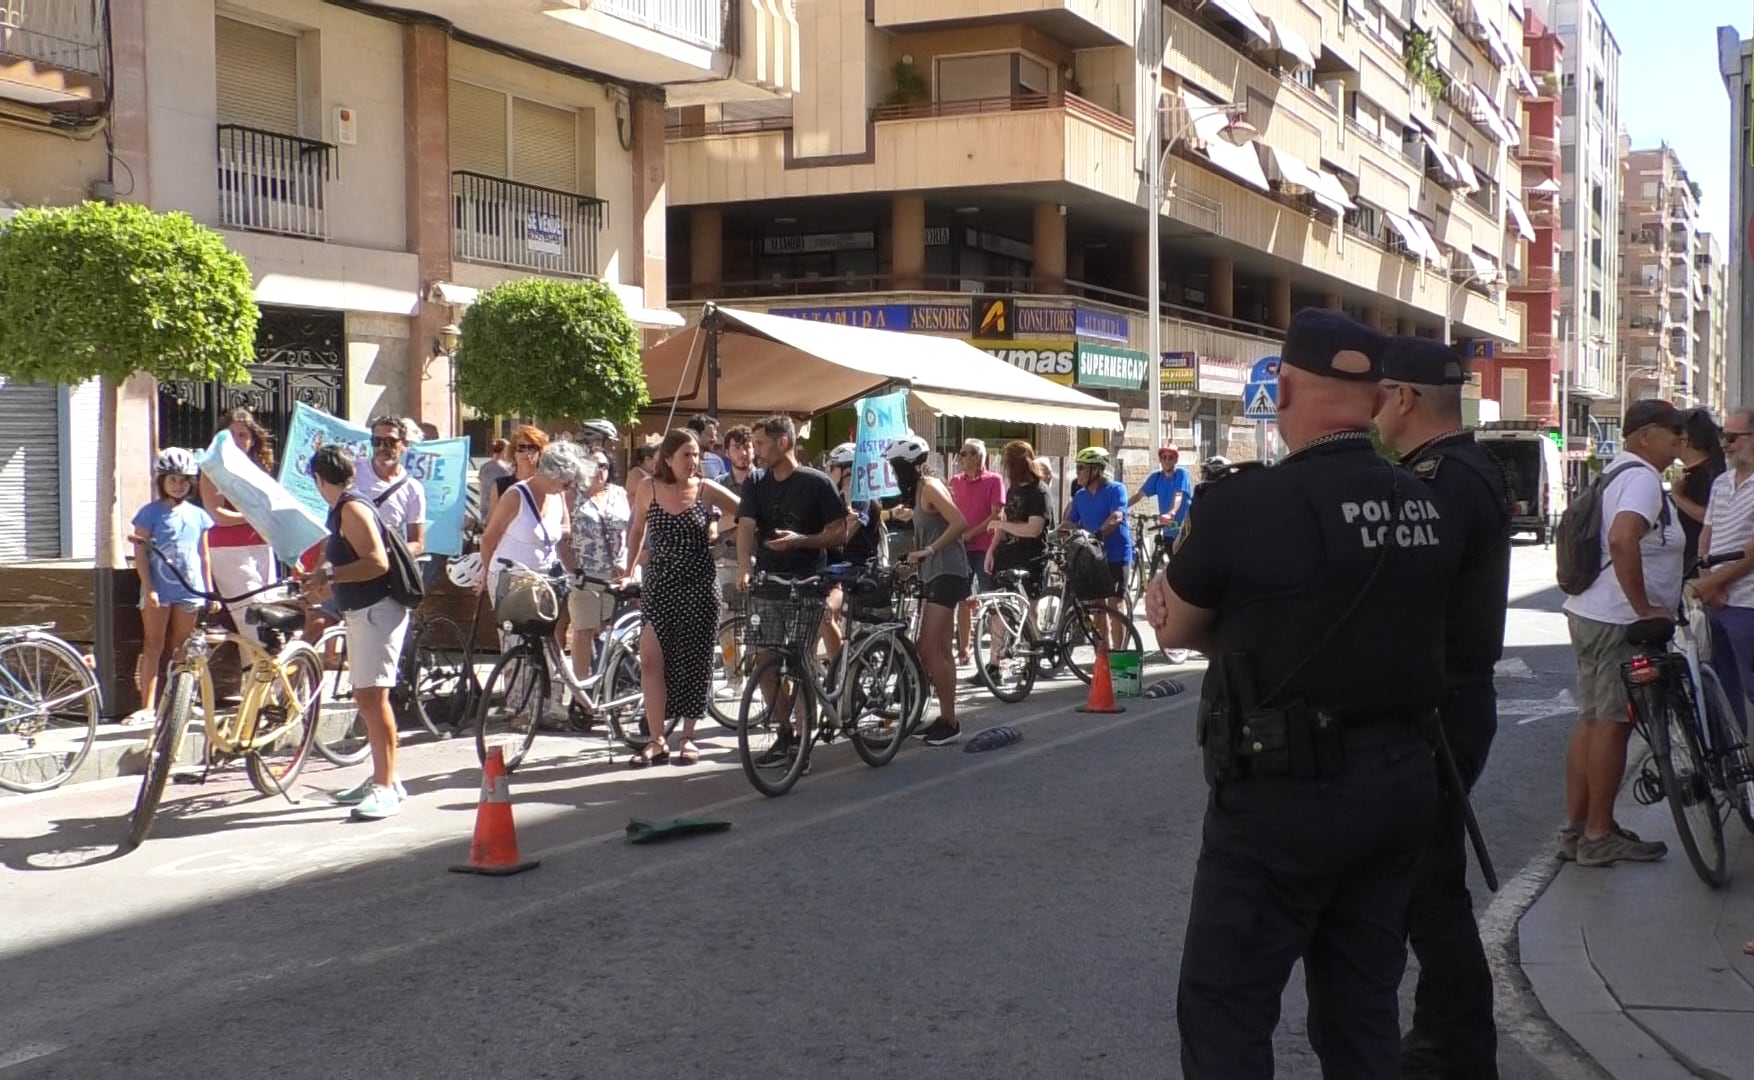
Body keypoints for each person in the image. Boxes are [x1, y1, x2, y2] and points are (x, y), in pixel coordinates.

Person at [1144, 308, 1462, 1078]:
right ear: (1381, 397)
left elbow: (1175, 625)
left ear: (1282, 388)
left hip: (1284, 797)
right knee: (1363, 1014)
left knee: (1225, 1011)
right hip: (1401, 782)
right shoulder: (1428, 502)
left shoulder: (1249, 504)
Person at [1375, 336, 1513, 1080]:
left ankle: (1456, 1049)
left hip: (1442, 703)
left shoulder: (1440, 480)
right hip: (1455, 698)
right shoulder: (1463, 468)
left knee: (1429, 893)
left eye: (1379, 396)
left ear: (1401, 398)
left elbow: (1406, 591)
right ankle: (1447, 1039)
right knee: (1429, 885)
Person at [1559, 398, 1687, 866]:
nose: (1681, 442)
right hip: (1617, 621)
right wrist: (1644, 608)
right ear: (1646, 434)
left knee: (1593, 720)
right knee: (1612, 724)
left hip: (1590, 612)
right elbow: (1621, 538)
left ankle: (1577, 828)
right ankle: (1597, 835)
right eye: (1675, 433)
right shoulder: (1642, 480)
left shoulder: (1616, 472)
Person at [299, 446, 413, 820]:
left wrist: (329, 576)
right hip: (364, 612)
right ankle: (385, 777)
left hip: (377, 612)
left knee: (372, 698)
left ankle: (386, 786)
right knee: (367, 698)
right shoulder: (345, 507)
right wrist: (327, 581)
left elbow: (376, 563)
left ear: (318, 479)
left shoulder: (352, 508)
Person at [735, 415, 851, 756]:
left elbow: (839, 532)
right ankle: (784, 733)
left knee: (798, 663)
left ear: (782, 442)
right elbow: (745, 526)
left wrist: (801, 540)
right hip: (770, 583)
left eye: (760, 444)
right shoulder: (756, 482)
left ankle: (803, 741)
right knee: (765, 662)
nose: (754, 451)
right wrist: (744, 565)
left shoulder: (816, 483)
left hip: (809, 583)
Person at [625, 429, 740, 766]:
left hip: (699, 583)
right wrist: (628, 568)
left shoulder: (705, 490)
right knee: (650, 659)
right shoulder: (649, 488)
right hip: (659, 584)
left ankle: (688, 736)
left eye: (695, 455)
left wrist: (720, 532)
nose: (693, 461)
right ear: (669, 458)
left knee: (694, 660)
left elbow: (747, 513)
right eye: (686, 455)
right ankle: (657, 738)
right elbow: (636, 531)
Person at [886, 433, 972, 746]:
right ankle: (947, 718)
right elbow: (934, 519)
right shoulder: (922, 491)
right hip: (937, 573)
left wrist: (929, 550)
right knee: (941, 651)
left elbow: (960, 522)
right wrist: (911, 517)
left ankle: (950, 721)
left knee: (926, 647)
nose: (894, 474)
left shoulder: (931, 487)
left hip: (946, 572)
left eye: (896, 467)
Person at [128, 448, 215, 726]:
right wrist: (149, 586)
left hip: (189, 589)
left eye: (184, 480)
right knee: (153, 643)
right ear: (162, 480)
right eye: (173, 479)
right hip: (159, 588)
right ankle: (147, 706)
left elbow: (204, 555)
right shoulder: (149, 514)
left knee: (181, 646)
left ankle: (180, 702)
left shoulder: (198, 515)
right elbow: (140, 553)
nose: (178, 485)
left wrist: (209, 590)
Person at [1691, 408, 1754, 736]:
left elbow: (1752, 552)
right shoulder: (1721, 483)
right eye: (1722, 437)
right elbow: (1707, 534)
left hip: (1747, 605)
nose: (1725, 445)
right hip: (1718, 604)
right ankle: (1737, 770)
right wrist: (1708, 581)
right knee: (1722, 692)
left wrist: (1712, 584)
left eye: (1732, 438)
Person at [199, 408, 276, 646]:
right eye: (232, 434)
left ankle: (258, 676)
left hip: (262, 547)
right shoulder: (212, 468)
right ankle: (258, 673)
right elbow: (217, 514)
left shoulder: (258, 469)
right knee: (252, 617)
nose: (238, 440)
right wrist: (250, 516)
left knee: (271, 611)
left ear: (253, 439)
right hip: (229, 551)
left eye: (243, 435)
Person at [566, 448, 631, 684]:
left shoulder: (620, 494)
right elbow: (563, 536)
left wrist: (628, 565)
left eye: (603, 466)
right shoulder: (573, 495)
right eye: (593, 466)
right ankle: (582, 687)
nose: (598, 471)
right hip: (585, 573)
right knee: (583, 630)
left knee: (606, 630)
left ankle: (605, 681)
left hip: (615, 574)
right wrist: (573, 569)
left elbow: (632, 531)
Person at [1063, 446, 1132, 649]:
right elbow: (1069, 523)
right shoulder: (1080, 496)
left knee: (1115, 604)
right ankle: (1104, 653)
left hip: (1117, 553)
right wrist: (1051, 536)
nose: (1077, 473)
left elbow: (1117, 516)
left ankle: (1120, 653)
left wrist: (1098, 535)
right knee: (1097, 606)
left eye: (1081, 468)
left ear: (1096, 470)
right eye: (1077, 468)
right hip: (1093, 556)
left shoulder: (1116, 489)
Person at [823, 442, 885, 658]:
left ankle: (840, 670)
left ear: (847, 470)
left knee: (825, 612)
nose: (829, 471)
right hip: (835, 568)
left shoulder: (861, 498)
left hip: (856, 571)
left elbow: (845, 534)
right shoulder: (838, 496)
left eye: (833, 466)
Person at [950, 438, 1005, 667]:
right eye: (961, 454)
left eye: (964, 453)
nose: (961, 458)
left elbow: (996, 515)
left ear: (977, 456)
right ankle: (964, 650)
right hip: (961, 548)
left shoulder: (994, 480)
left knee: (991, 599)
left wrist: (972, 533)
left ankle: (996, 655)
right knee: (962, 598)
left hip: (985, 548)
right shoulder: (955, 481)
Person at [1672, 408, 1726, 571]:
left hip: (1700, 568)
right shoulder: (1702, 471)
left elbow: (1710, 517)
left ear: (1686, 440)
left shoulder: (1711, 474)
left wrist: (1678, 498)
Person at [484, 425, 547, 525]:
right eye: (521, 448)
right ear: (514, 452)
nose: (526, 453)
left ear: (540, 453)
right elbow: (491, 523)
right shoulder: (501, 485)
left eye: (532, 448)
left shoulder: (548, 486)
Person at [475, 439, 513, 527]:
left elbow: (481, 488)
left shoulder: (484, 467)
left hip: (485, 507)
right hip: (499, 509)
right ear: (505, 450)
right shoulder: (506, 470)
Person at [688, 414, 729, 481]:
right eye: (710, 435)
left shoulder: (716, 461)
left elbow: (724, 484)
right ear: (695, 434)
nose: (714, 439)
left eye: (715, 435)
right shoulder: (684, 459)